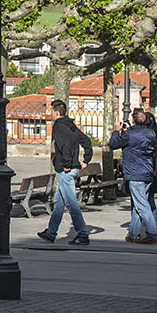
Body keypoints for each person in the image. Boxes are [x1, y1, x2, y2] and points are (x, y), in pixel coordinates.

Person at [36, 99, 94, 246]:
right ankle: (51, 232)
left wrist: (67, 163)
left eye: (51, 112)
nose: (50, 114)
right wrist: (86, 159)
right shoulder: (71, 125)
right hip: (73, 168)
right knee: (59, 203)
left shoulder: (59, 126)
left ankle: (82, 234)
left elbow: (64, 145)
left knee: (72, 203)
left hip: (66, 170)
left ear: (56, 112)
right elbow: (86, 141)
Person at [109, 108, 157, 244]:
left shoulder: (129, 135)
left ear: (133, 120)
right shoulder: (151, 134)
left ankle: (152, 232)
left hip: (135, 172)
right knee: (138, 203)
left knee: (141, 205)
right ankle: (133, 233)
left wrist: (117, 130)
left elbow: (113, 144)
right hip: (147, 171)